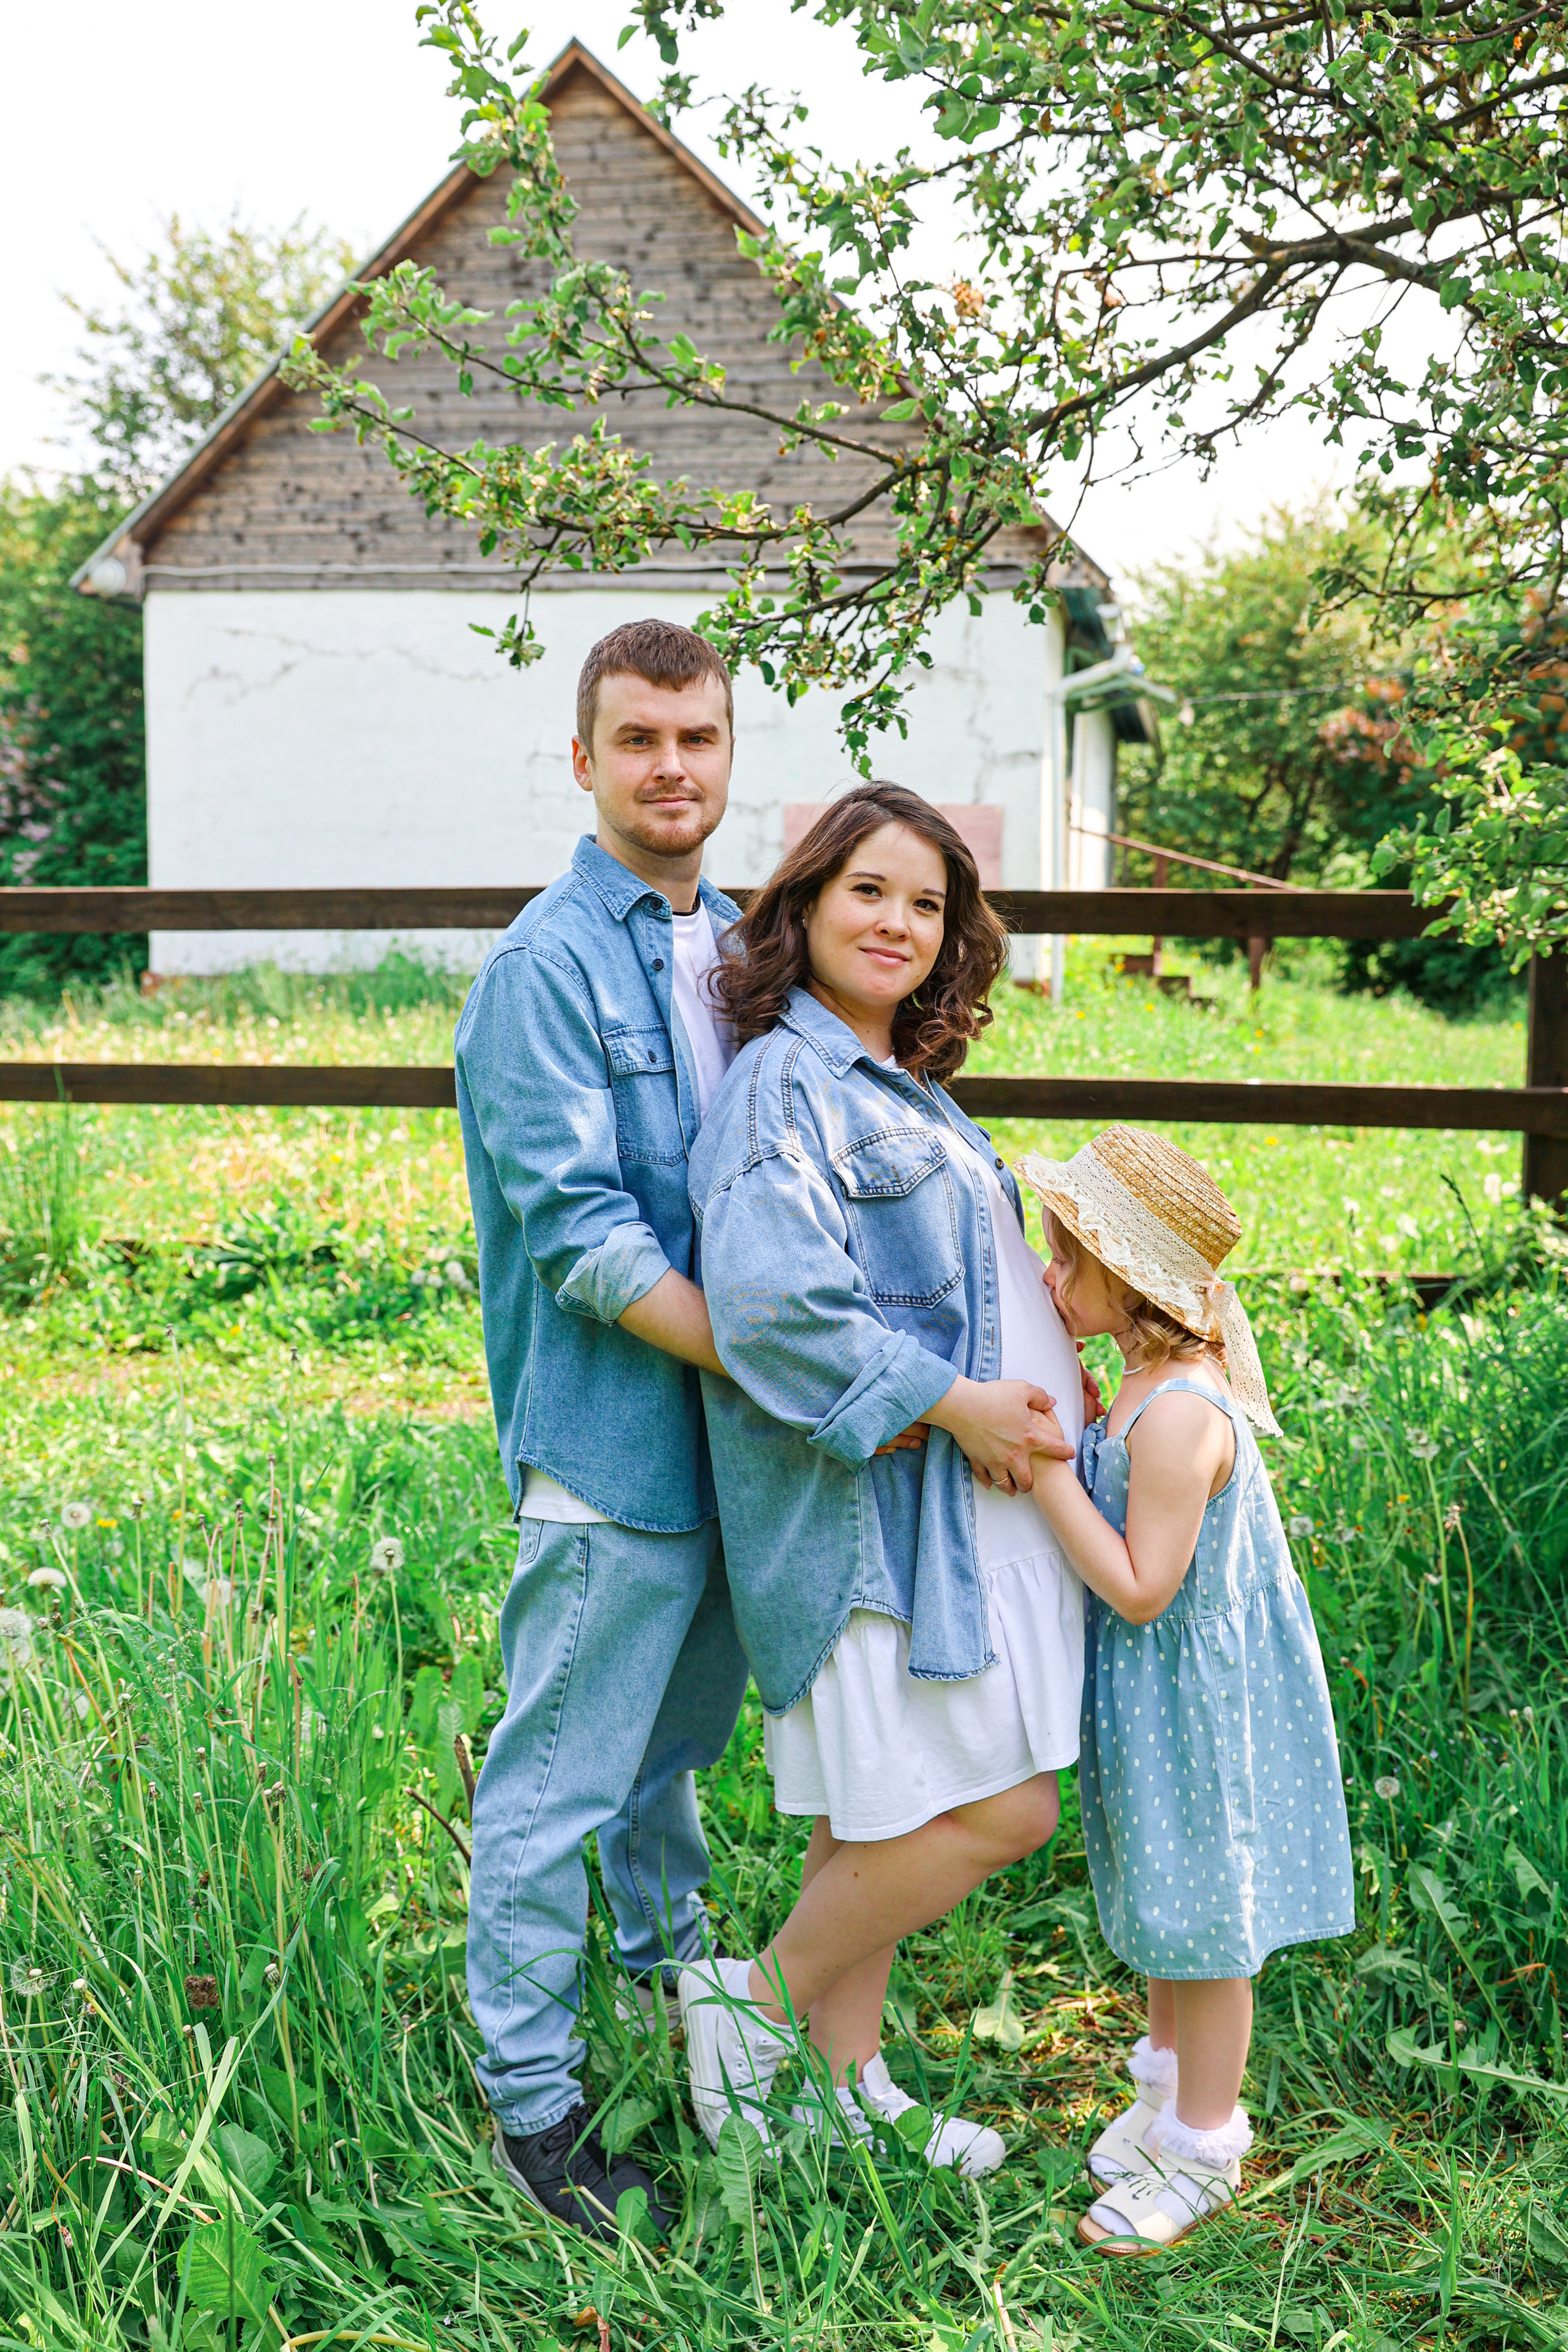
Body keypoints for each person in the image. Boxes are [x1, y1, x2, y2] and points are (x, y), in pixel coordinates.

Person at [678, 782, 1091, 2179]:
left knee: (883, 1818)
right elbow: (774, 1308)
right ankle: (750, 2010)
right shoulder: (782, 1087)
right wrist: (960, 1403)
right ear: (803, 904)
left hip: (948, 1521)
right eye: (869, 890)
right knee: (999, 1808)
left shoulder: (897, 1080)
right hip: (868, 1520)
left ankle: (840, 2092)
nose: (898, 923)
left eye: (926, 903)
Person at [455, 619, 750, 2241]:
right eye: (636, 740)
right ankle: (536, 2114)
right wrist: (787, 1371)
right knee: (555, 1784)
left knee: (671, 1766)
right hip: (615, 1450)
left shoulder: (745, 947)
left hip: (729, 1460)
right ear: (584, 761)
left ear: (726, 754)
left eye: (695, 738)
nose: (669, 768)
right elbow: (580, 1240)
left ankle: (664, 2003)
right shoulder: (547, 968)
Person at [1014, 1126, 1355, 2253]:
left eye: (1069, 1260)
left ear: (1133, 1277)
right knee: (1166, 1881)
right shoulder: (1145, 1378)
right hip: (1159, 1696)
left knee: (1205, 1915)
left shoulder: (1178, 1414)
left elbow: (1143, 1586)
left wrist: (1048, 1476)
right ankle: (1164, 2090)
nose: (1052, 1278)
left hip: (1195, 1699)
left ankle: (1207, 2139)